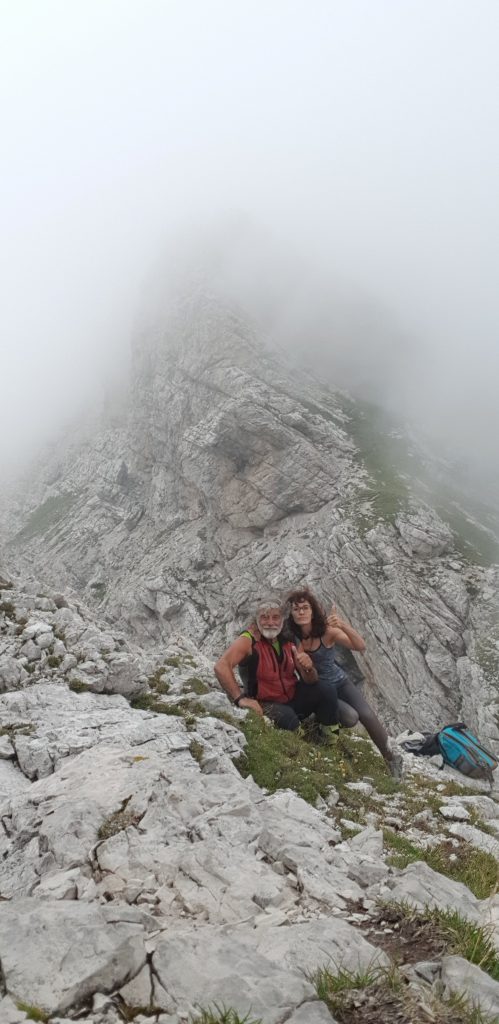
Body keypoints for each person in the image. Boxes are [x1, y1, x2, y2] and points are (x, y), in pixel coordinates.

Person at [286, 588, 403, 778]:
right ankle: (317, 725)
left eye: (305, 608)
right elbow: (306, 675)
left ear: (313, 611)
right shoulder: (294, 639)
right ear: (291, 614)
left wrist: (342, 625)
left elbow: (360, 645)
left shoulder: (327, 632)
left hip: (340, 681)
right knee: (350, 717)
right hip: (320, 689)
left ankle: (391, 758)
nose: (301, 612)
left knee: (367, 715)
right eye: (296, 609)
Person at [214, 596, 340, 734]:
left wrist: (309, 668)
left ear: (283, 619)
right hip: (265, 702)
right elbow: (222, 666)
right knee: (289, 720)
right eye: (264, 617)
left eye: (275, 617)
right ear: (256, 619)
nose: (270, 623)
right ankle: (300, 736)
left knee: (327, 689)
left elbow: (311, 680)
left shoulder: (289, 639)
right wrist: (240, 699)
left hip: (293, 696)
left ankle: (329, 737)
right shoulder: (249, 640)